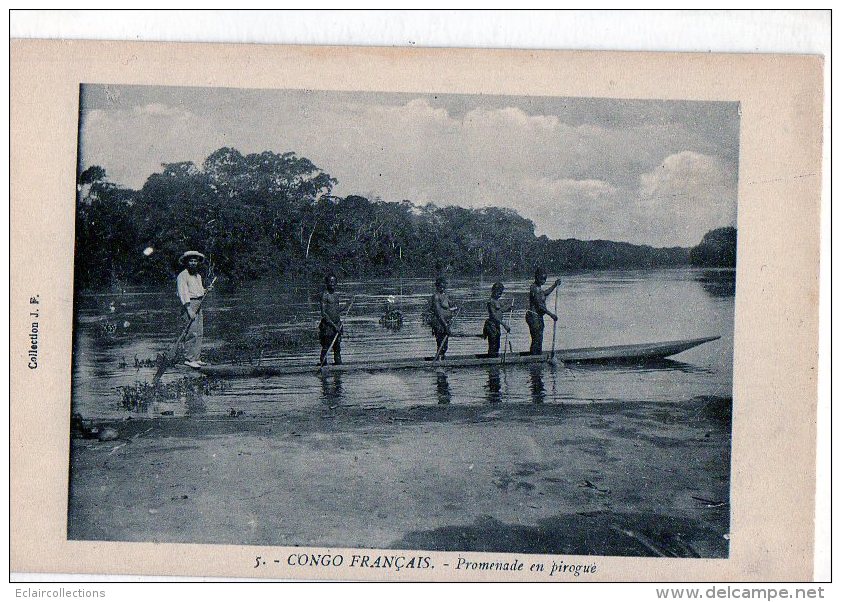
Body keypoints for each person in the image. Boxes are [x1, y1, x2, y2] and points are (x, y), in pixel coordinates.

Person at [177, 251, 207, 368]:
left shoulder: (198, 276)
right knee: (191, 332)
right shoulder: (182, 275)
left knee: (199, 332)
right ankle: (189, 359)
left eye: (195, 261)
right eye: (191, 261)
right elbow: (183, 293)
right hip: (189, 305)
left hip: (199, 303)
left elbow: (198, 291)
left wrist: (205, 290)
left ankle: (196, 358)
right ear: (186, 262)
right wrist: (189, 309)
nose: (193, 263)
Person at [525, 268, 561, 355]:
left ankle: (537, 356)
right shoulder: (535, 288)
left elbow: (545, 293)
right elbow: (540, 306)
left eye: (545, 279)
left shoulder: (538, 288)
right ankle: (534, 358)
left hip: (537, 317)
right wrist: (551, 315)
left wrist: (554, 285)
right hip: (534, 317)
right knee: (537, 339)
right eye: (542, 279)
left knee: (539, 338)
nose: (544, 281)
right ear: (536, 277)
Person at [430, 276, 458, 359]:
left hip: (446, 323)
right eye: (440, 286)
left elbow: (450, 307)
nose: (442, 288)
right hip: (440, 324)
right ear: (437, 286)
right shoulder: (436, 297)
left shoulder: (445, 296)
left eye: (443, 286)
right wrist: (445, 326)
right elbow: (438, 313)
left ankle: (441, 359)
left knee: (445, 346)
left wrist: (456, 308)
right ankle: (439, 361)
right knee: (441, 345)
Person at [319, 273, 343, 365]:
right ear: (327, 283)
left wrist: (348, 304)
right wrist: (333, 326)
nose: (332, 284)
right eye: (330, 282)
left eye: (334, 282)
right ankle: (323, 365)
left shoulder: (336, 295)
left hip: (337, 324)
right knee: (326, 346)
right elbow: (324, 314)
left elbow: (337, 310)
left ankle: (338, 367)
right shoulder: (325, 296)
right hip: (328, 326)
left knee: (337, 347)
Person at [483, 282, 512, 357]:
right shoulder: (491, 302)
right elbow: (494, 316)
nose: (499, 295)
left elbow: (501, 310)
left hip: (496, 326)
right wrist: (504, 325)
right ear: (493, 291)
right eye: (498, 293)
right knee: (493, 345)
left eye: (501, 293)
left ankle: (494, 359)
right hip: (491, 326)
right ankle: (491, 360)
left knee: (497, 345)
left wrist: (509, 308)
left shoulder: (497, 301)